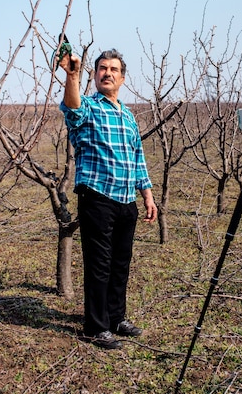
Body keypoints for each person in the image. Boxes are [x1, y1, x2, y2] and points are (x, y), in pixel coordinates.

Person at [57, 48, 158, 349]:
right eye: (102, 68)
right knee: (99, 264)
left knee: (120, 263)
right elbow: (72, 109)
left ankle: (116, 317)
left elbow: (137, 157)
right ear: (95, 74)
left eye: (114, 69)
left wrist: (148, 196)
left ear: (122, 78)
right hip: (98, 197)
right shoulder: (88, 106)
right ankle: (95, 326)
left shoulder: (127, 116)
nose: (107, 73)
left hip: (127, 199)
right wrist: (72, 76)